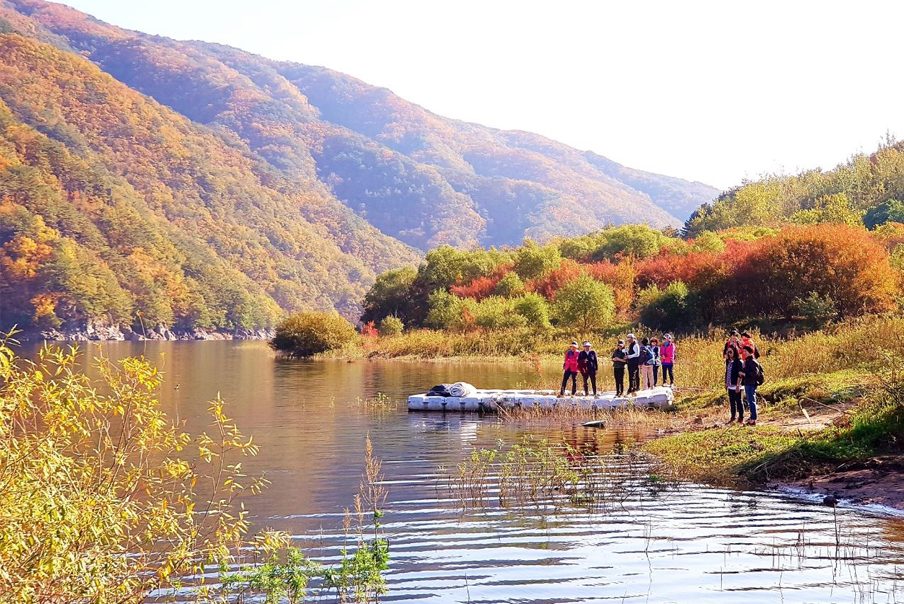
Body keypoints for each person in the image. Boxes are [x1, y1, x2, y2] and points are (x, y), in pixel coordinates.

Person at [738, 345, 761, 425]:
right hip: (748, 383)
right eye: (743, 351)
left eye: (745, 351)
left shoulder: (752, 361)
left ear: (750, 352)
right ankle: (752, 417)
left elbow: (755, 373)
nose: (744, 353)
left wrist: (744, 374)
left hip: (751, 383)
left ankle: (753, 419)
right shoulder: (747, 361)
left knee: (751, 401)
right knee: (749, 400)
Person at [725, 345, 743, 424]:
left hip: (737, 385)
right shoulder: (729, 362)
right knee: (732, 402)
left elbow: (740, 374)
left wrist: (738, 385)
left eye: (730, 352)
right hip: (730, 385)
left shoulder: (739, 362)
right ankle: (733, 416)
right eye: (727, 352)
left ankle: (741, 417)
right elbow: (727, 373)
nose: (729, 354)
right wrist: (726, 382)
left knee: (739, 401)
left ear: (734, 352)